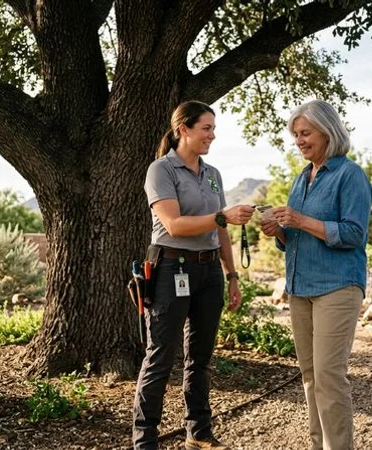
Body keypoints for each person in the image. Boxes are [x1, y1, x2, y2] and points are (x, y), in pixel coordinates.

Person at [134, 100, 255, 450]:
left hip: (208, 272)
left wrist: (231, 276)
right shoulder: (161, 170)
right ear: (183, 129)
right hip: (172, 267)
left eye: (213, 129)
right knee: (159, 356)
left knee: (200, 358)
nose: (212, 136)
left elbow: (222, 231)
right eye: (206, 128)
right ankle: (145, 441)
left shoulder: (213, 174)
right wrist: (222, 217)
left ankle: (198, 433)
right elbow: (173, 224)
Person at [260, 100, 372, 450]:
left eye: (305, 133)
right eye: (295, 134)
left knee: (328, 375)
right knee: (310, 377)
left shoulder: (349, 175)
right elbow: (293, 239)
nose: (299, 140)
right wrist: (278, 230)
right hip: (300, 288)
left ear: (328, 132)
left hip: (337, 286)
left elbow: (354, 233)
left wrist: (301, 220)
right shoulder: (300, 179)